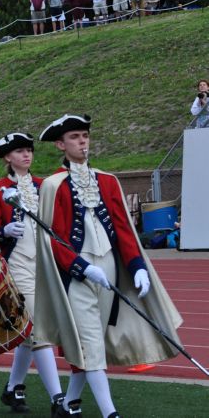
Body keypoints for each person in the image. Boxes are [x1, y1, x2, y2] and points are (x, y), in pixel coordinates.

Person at [34, 114, 183, 417]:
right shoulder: (53, 185)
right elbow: (54, 240)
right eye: (75, 137)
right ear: (61, 144)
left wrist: (138, 265)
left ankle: (69, 402)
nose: (82, 142)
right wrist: (81, 267)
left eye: (85, 136)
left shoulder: (107, 180)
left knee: (95, 338)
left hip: (110, 268)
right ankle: (109, 412)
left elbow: (124, 230)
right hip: (77, 273)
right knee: (89, 339)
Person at [0, 133, 64, 414]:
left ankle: (13, 388)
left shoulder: (44, 185)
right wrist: (2, 231)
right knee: (39, 329)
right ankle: (58, 399)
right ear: (8, 157)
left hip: (45, 263)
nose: (27, 155)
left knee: (30, 330)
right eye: (20, 151)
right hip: (17, 263)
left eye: (29, 150)